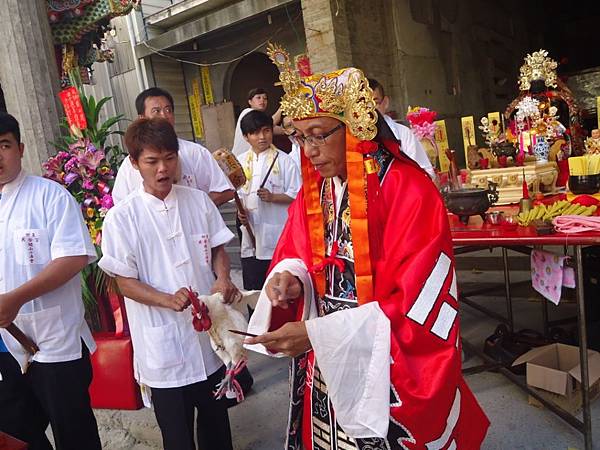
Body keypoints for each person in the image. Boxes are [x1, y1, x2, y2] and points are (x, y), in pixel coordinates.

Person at [245, 48, 489, 449]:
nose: (308, 150)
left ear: (355, 126)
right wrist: (290, 278)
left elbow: (417, 304)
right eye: (300, 137)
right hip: (324, 352)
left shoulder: (409, 190)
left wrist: (318, 335)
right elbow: (296, 250)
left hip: (382, 359)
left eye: (319, 134)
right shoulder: (316, 191)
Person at [99, 118, 238, 450]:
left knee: (217, 427)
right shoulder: (122, 217)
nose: (163, 169)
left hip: (209, 342)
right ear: (134, 163)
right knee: (177, 437)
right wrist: (165, 299)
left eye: (170, 158)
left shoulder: (198, 200)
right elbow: (123, 282)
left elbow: (218, 247)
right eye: (152, 161)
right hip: (162, 348)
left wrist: (222, 278)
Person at [0, 112, 101, 450]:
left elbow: (73, 257)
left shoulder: (48, 196)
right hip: (5, 349)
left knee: (74, 435)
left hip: (54, 343)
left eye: (4, 145)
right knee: (16, 435)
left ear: (20, 148)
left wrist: (16, 298)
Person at [112, 87, 234, 206]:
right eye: (156, 111)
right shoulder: (129, 165)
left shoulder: (195, 152)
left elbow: (224, 191)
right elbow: (121, 205)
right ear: (142, 118)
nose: (165, 116)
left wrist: (196, 211)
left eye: (168, 110)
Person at [236, 110, 301, 291]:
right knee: (253, 285)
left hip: (276, 233)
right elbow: (238, 195)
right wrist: (241, 213)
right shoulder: (240, 162)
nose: (262, 137)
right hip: (251, 232)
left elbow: (297, 193)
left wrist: (274, 197)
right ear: (246, 137)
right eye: (255, 133)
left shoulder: (285, 161)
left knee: (276, 283)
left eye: (266, 131)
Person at [368, 78, 437, 180]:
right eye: (365, 105)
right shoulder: (351, 138)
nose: (370, 111)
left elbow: (425, 173)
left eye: (375, 103)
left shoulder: (403, 134)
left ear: (385, 102)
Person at [231, 88, 286, 156]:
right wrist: (283, 107)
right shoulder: (247, 112)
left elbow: (277, 130)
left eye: (265, 98)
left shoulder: (261, 121)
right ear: (250, 102)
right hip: (241, 158)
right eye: (258, 98)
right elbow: (271, 122)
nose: (262, 100)